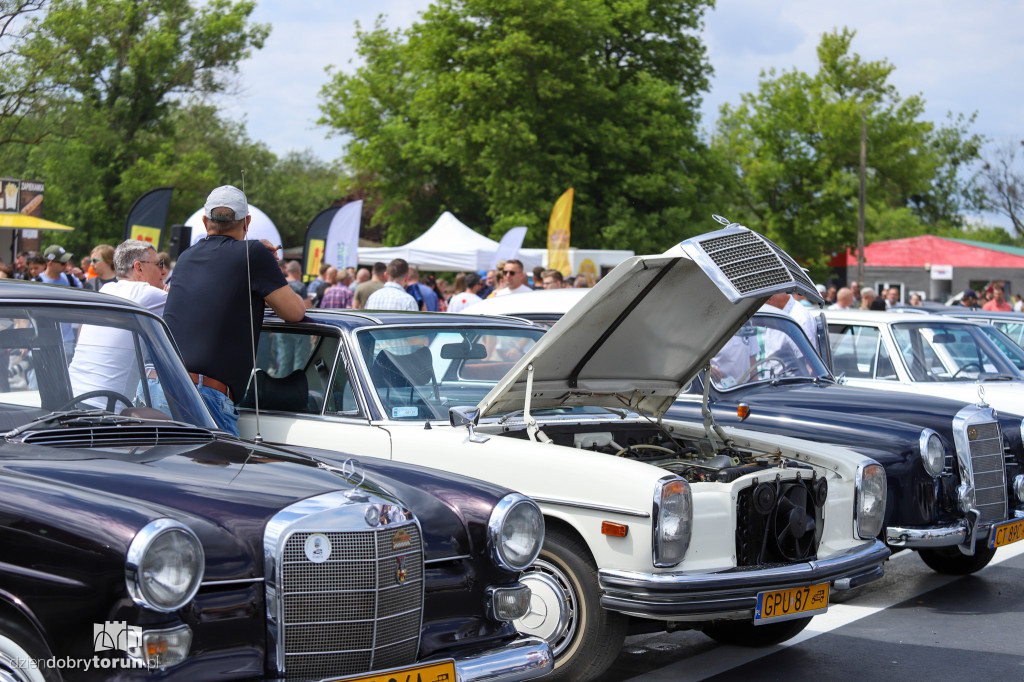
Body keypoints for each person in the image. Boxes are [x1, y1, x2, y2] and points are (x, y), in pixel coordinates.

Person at [164, 185, 305, 435]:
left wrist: (254, 252)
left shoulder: (186, 256)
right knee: (216, 475)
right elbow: (294, 313)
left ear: (205, 220)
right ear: (247, 222)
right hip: (205, 397)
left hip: (161, 385)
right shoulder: (254, 254)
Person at [68, 240, 168, 409]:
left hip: (71, 396)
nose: (164, 272)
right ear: (139, 268)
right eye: (159, 264)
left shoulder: (106, 290)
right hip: (104, 408)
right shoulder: (147, 294)